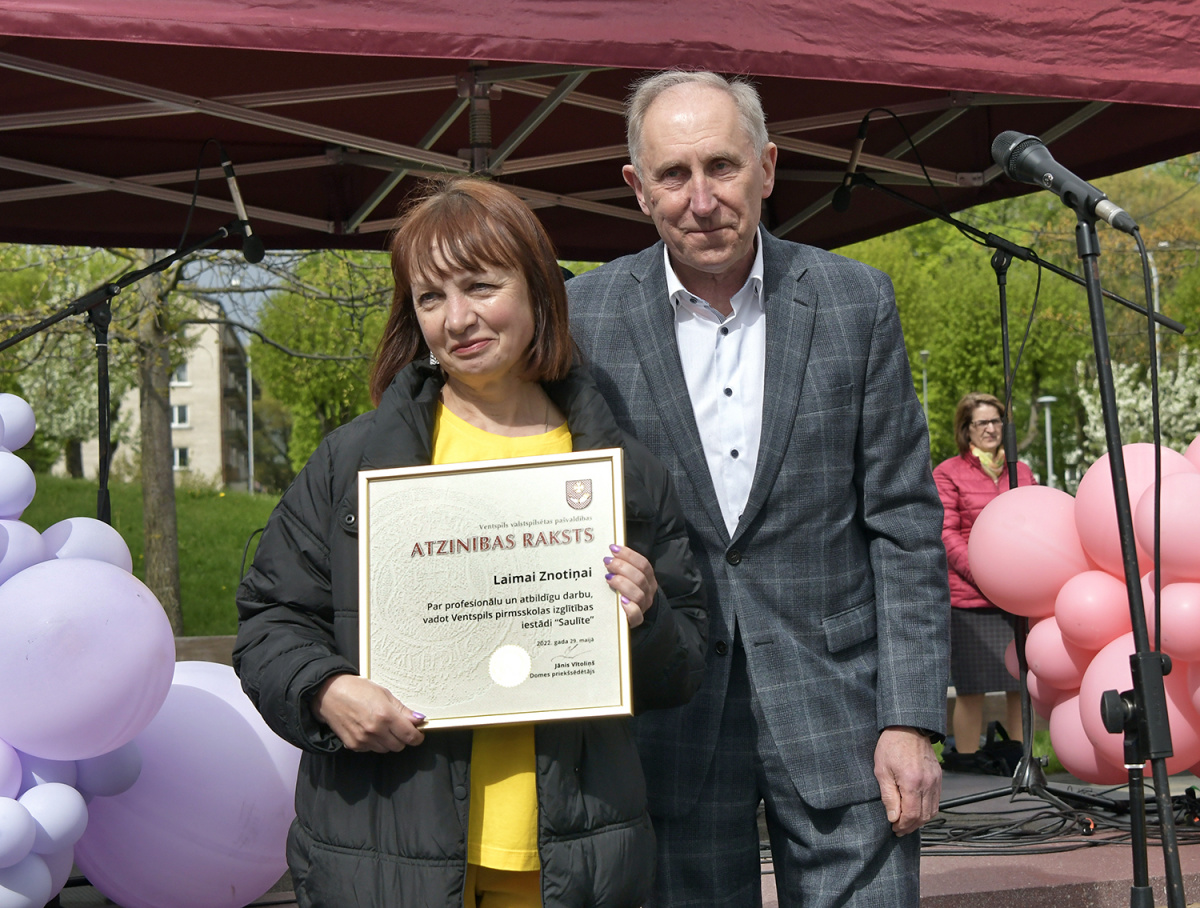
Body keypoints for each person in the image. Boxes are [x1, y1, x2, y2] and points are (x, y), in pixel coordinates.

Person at [233, 176, 707, 908]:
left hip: (570, 864)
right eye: (430, 297)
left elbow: (682, 669)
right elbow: (270, 622)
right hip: (387, 858)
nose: (457, 319)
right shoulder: (351, 463)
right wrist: (324, 690)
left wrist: (648, 619)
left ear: (538, 289)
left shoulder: (622, 472)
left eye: (482, 286)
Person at [566, 70, 950, 908]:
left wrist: (912, 716)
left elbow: (904, 524)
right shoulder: (582, 318)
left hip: (845, 712)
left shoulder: (855, 302)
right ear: (638, 188)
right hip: (668, 714)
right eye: (673, 175)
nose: (701, 199)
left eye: (722, 166)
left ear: (767, 167)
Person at [933, 392, 1033, 765]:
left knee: (1020, 685)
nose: (991, 429)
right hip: (970, 601)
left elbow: (1034, 523)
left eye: (996, 421)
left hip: (1015, 598)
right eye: (982, 422)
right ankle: (968, 764)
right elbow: (947, 534)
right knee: (971, 689)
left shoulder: (1021, 472)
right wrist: (984, 574)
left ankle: (1019, 760)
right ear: (966, 429)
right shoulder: (947, 473)